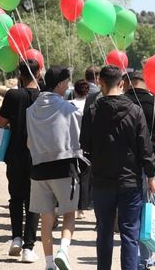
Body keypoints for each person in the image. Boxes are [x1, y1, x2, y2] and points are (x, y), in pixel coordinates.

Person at [80, 65, 155, 270]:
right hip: (129, 180)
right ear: (122, 83)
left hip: (102, 179)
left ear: (100, 83)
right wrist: (150, 176)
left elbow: (85, 144)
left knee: (104, 231)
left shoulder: (92, 110)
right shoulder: (135, 110)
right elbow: (145, 147)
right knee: (130, 233)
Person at [27, 66, 88, 270]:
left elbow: (28, 142)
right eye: (67, 82)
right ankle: (63, 249)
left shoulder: (31, 110)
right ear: (61, 84)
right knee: (69, 213)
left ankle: (49, 263)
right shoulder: (68, 108)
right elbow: (81, 137)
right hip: (64, 167)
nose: (69, 86)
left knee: (46, 216)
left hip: (38, 170)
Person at [0, 60, 41, 263]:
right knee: (34, 200)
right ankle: (28, 247)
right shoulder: (43, 98)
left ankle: (16, 238)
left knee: (15, 196)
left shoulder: (13, 95)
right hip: (38, 156)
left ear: (20, 75)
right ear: (38, 74)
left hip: (14, 153)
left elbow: (2, 121)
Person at [123, 71, 155, 270]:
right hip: (151, 162)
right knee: (150, 209)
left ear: (127, 83)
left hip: (126, 164)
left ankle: (132, 259)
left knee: (130, 212)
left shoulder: (122, 101)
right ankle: (146, 259)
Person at [70, 78, 93, 220]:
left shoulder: (68, 105)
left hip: (71, 144)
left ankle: (69, 205)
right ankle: (81, 209)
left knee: (73, 176)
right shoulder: (91, 105)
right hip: (87, 145)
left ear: (74, 91)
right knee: (85, 177)